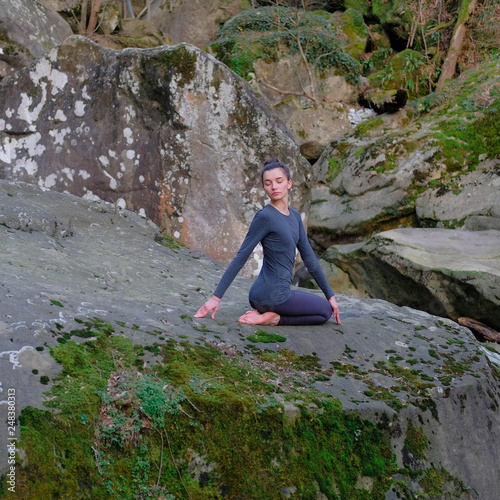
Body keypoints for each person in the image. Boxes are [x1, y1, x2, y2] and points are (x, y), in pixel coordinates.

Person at [194, 158, 341, 326]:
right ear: (264, 188)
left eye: (279, 181)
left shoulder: (294, 216)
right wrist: (215, 298)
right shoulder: (265, 217)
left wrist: (330, 295)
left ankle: (268, 313)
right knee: (324, 312)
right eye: (268, 183)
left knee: (325, 306)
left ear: (289, 183)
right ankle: (274, 318)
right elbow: (241, 257)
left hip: (263, 297)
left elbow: (310, 260)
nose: (274, 187)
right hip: (273, 296)